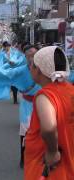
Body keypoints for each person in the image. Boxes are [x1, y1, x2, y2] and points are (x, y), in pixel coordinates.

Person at [25, 46, 74, 179]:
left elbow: (48, 127)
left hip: (49, 165)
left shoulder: (45, 95)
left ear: (39, 70)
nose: (30, 68)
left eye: (32, 65)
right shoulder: (70, 89)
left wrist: (52, 152)